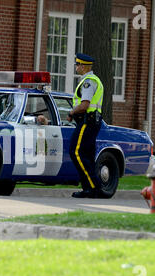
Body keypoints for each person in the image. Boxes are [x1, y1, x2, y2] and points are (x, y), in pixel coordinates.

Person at [67, 53, 104, 198]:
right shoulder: (91, 80)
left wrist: (71, 112)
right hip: (90, 122)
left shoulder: (89, 82)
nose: (76, 67)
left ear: (82, 66)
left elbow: (84, 105)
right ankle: (91, 188)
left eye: (77, 64)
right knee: (86, 155)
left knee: (76, 152)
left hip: (87, 121)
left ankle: (92, 187)